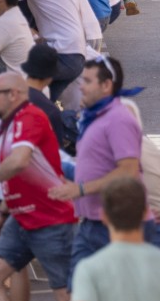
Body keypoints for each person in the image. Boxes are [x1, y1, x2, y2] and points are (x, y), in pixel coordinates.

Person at [0, 72, 77, 301]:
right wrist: (3, 213)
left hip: (49, 220)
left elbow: (19, 161)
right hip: (21, 218)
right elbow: (21, 175)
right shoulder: (12, 125)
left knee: (66, 299)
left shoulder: (30, 117)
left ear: (14, 95)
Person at [48, 56, 145, 271]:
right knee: (79, 293)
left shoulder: (119, 119)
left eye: (87, 81)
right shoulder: (97, 117)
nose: (81, 87)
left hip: (114, 224)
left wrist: (81, 189)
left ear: (106, 85)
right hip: (92, 222)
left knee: (103, 297)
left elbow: (128, 171)